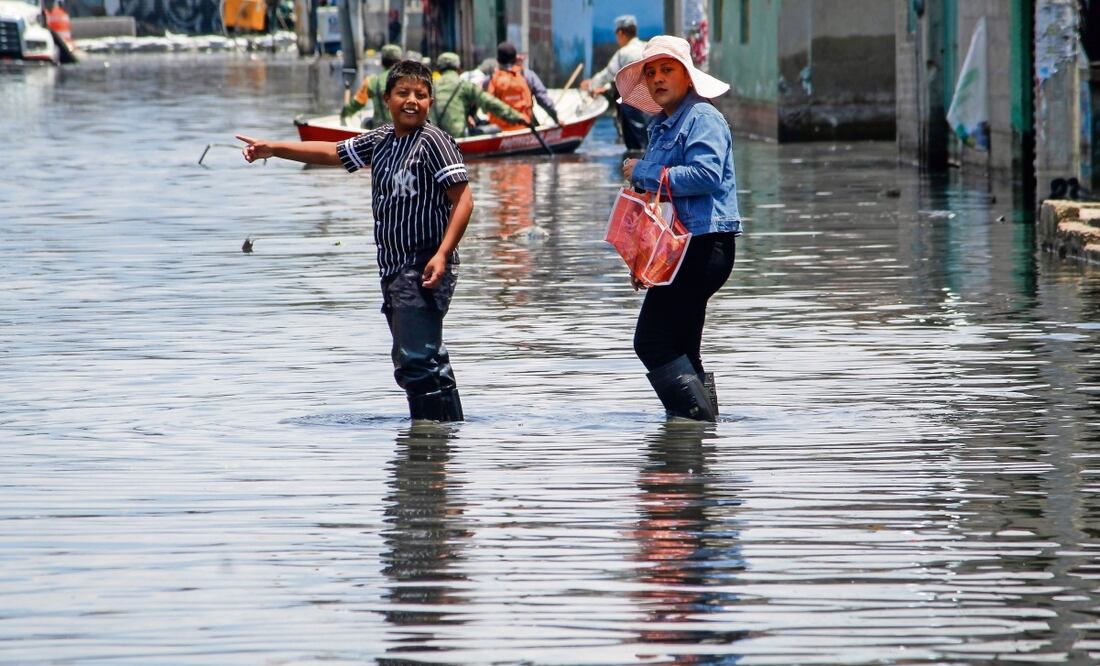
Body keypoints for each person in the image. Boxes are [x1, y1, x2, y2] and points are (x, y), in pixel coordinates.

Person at [237, 60, 473, 422]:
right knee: (427, 359)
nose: (412, 101)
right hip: (394, 269)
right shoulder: (381, 140)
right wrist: (275, 148)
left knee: (416, 363)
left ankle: (426, 456)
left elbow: (464, 200)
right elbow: (332, 153)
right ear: (387, 99)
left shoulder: (434, 143)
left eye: (421, 95)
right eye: (403, 93)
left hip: (424, 263)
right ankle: (447, 445)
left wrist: (442, 255)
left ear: (430, 102)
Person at [617, 36, 741, 422]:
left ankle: (691, 428)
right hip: (678, 249)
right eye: (650, 72)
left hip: (706, 245)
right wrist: (644, 261)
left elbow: (704, 176)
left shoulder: (703, 119)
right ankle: (702, 445)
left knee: (651, 341)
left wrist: (642, 170)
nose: (657, 78)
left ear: (688, 77)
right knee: (684, 346)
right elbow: (660, 207)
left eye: (666, 70)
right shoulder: (661, 127)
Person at [580, 14, 651, 150]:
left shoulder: (623, 53)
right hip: (651, 103)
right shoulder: (647, 48)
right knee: (649, 143)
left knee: (635, 147)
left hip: (632, 105)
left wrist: (590, 85)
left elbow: (608, 74)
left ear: (620, 33)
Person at [431, 52, 527, 138]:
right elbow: (490, 102)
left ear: (438, 70)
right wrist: (517, 117)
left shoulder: (431, 87)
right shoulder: (464, 85)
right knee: (495, 129)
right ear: (458, 68)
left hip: (434, 138)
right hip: (457, 136)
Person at [483, 42, 560, 131]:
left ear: (497, 60)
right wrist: (556, 119)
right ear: (516, 58)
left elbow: (483, 107)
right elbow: (543, 100)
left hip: (499, 131)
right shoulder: (527, 75)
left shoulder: (489, 80)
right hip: (525, 127)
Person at [342, 43, 402, 128]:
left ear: (382, 62)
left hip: (379, 129)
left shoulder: (371, 81)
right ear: (401, 62)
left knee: (365, 122)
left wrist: (345, 112)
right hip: (402, 129)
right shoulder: (408, 80)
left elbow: (357, 104)